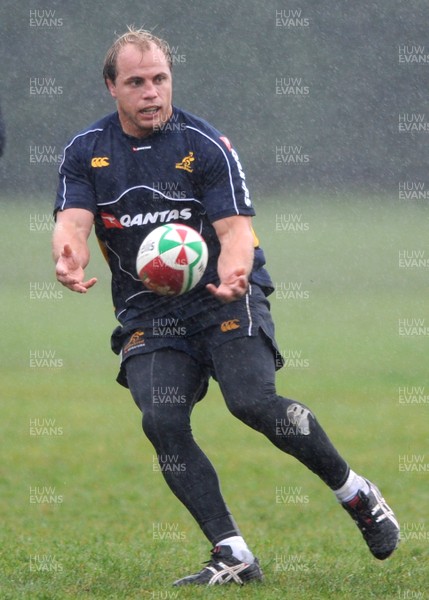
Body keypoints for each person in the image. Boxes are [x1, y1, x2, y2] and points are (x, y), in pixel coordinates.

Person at [52, 27, 400, 587]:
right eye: (136, 82)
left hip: (224, 295)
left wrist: (236, 270)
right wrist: (67, 258)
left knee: (252, 402)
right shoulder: (86, 151)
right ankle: (233, 553)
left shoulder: (204, 145)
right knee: (162, 419)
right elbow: (71, 223)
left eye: (160, 79)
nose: (151, 93)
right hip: (150, 311)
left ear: (172, 80)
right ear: (111, 88)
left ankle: (358, 494)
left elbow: (235, 230)